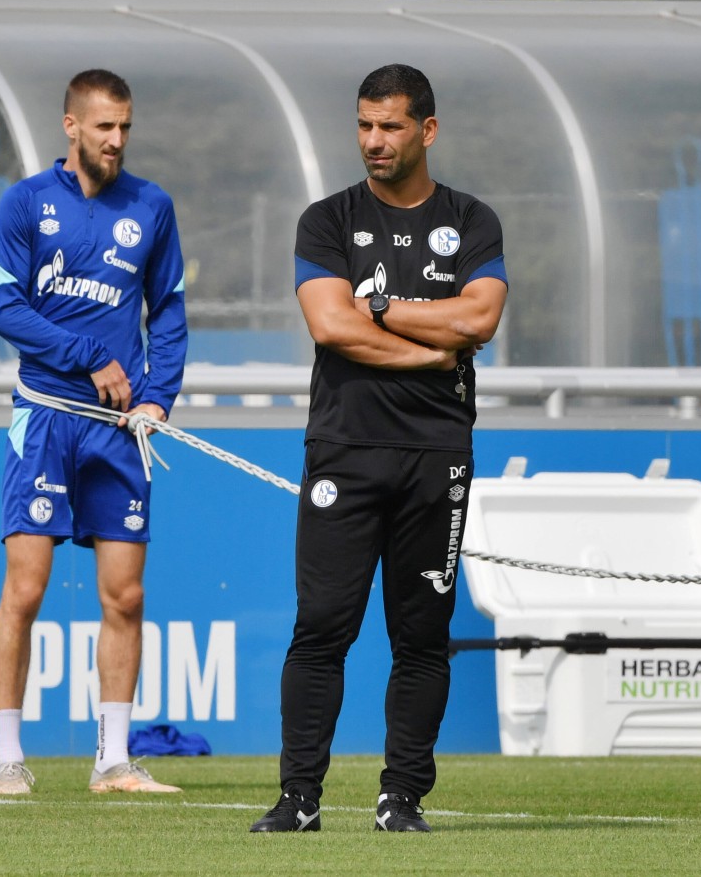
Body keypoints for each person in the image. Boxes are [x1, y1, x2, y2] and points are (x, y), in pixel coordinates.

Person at [250, 64, 508, 833]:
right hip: (344, 449)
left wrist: (388, 307)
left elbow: (482, 319)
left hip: (437, 453)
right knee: (322, 626)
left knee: (422, 635)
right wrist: (431, 348)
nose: (373, 141)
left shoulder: (473, 219)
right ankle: (299, 800)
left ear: (426, 131)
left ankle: (402, 800)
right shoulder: (326, 220)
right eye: (364, 125)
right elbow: (331, 326)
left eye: (390, 127)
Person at [0, 69, 188, 796]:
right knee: (27, 585)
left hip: (116, 432)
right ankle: (9, 757)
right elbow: (4, 311)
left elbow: (166, 312)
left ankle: (112, 761)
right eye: (104, 127)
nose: (117, 140)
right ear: (71, 126)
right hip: (43, 419)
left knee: (125, 596)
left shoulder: (152, 207)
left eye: (126, 127)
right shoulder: (26, 202)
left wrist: (158, 399)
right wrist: (89, 357)